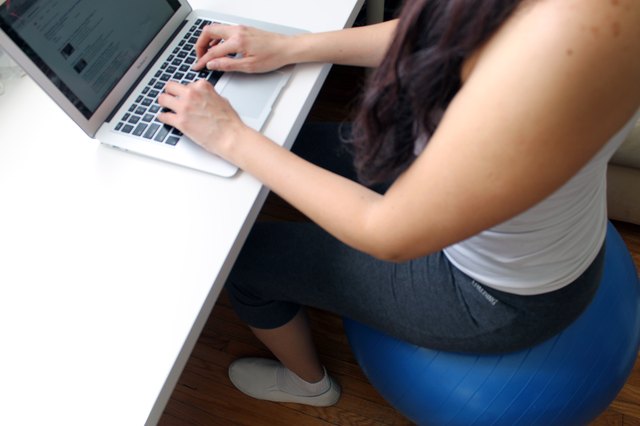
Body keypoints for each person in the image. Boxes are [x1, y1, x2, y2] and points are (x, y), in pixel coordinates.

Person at [158, 0, 640, 407]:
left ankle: (310, 386)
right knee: (281, 137)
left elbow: (387, 231)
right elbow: (439, 31)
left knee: (240, 259)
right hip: (500, 208)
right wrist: (291, 47)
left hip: (493, 297)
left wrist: (231, 136)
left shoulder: (559, 51)